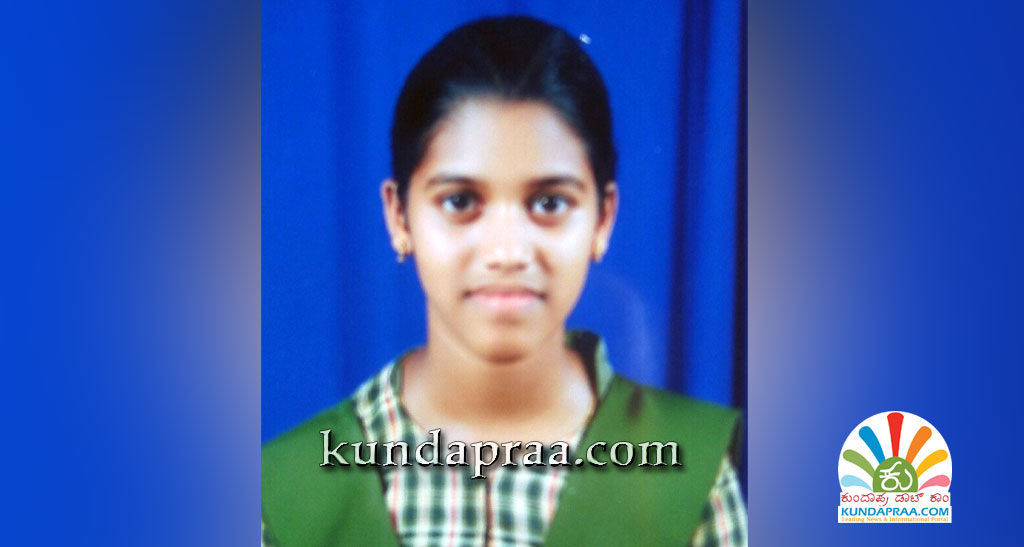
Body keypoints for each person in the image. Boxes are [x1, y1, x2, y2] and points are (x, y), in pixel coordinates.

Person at [262, 15, 745, 546]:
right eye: (460, 202)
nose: (507, 252)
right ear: (399, 217)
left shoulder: (689, 478)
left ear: (603, 219)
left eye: (549, 203)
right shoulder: (289, 492)